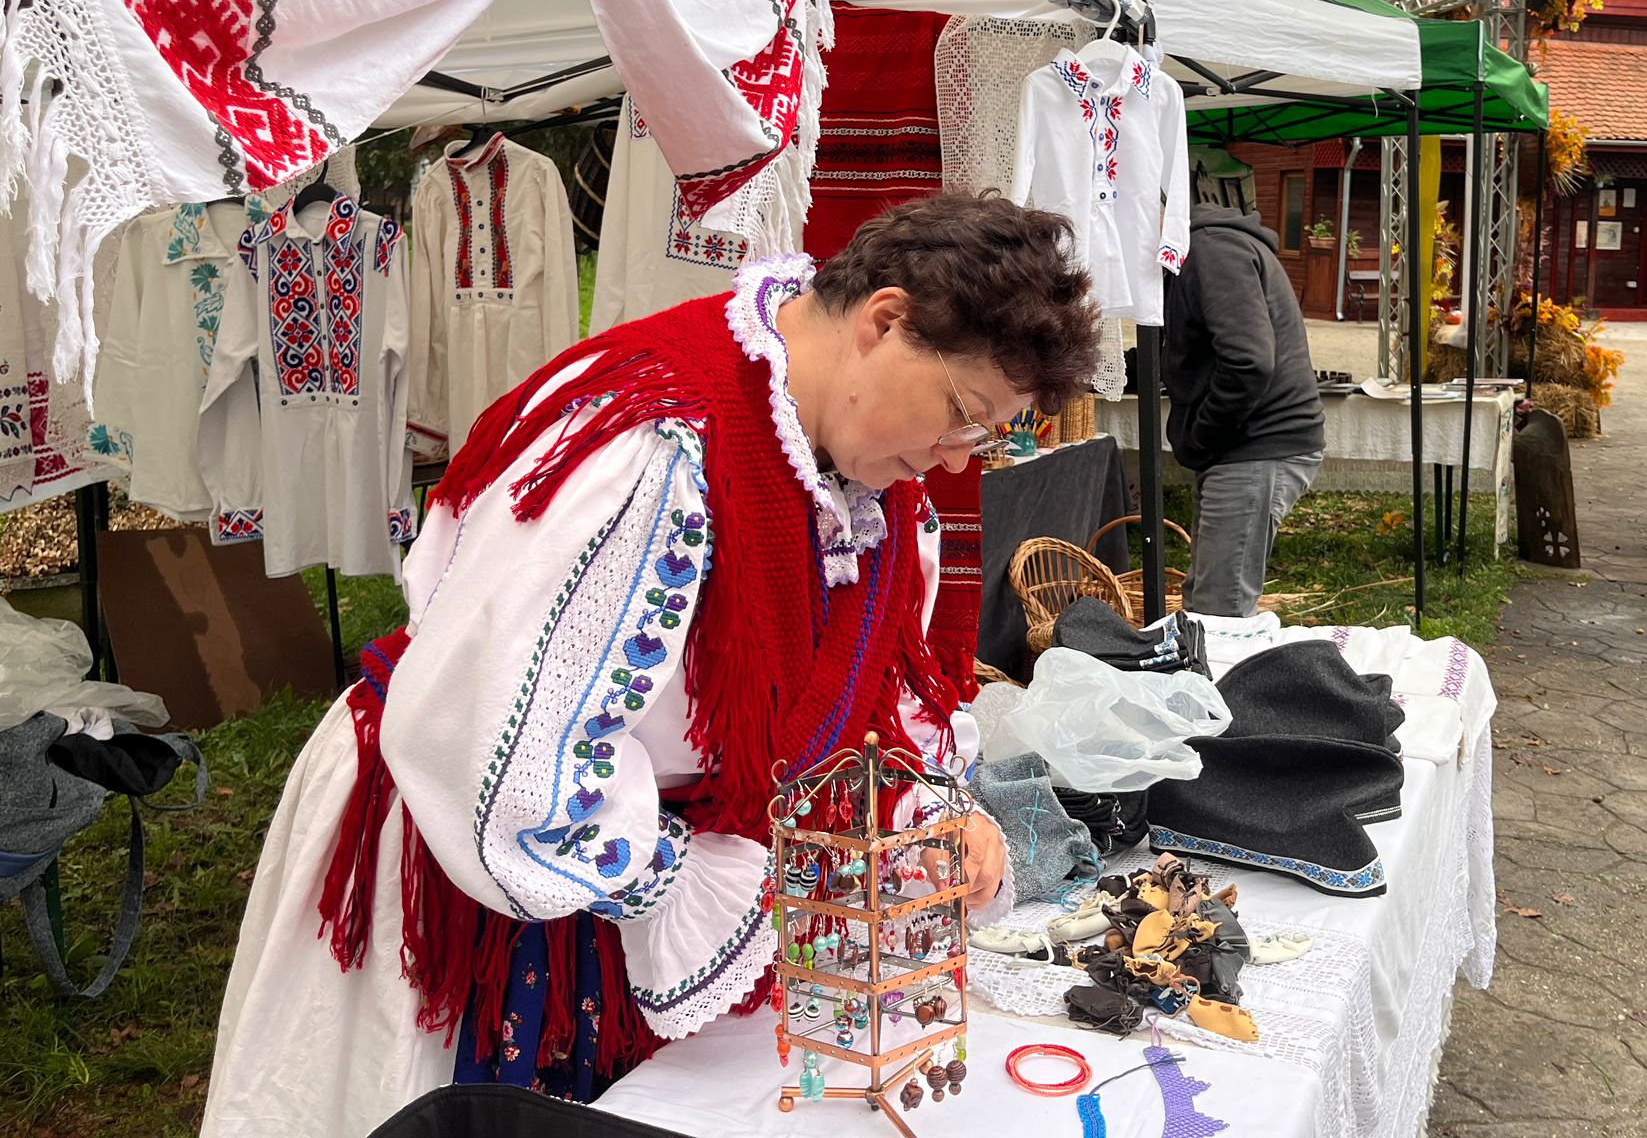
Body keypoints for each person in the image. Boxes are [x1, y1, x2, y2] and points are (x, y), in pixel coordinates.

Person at [201, 194, 1099, 1138]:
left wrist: (929, 812)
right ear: (884, 321)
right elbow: (507, 755)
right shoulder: (648, 442)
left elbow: (866, 686)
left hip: (641, 856)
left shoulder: (870, 478)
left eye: (984, 436)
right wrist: (697, 885)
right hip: (481, 839)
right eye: (960, 414)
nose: (957, 462)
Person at [1163, 202, 1325, 615]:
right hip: (1242, 446)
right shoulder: (1197, 251)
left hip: (1256, 445)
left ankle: (1230, 681)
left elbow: (1248, 361)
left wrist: (1201, 436)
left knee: (1221, 613)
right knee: (1203, 604)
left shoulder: (1213, 250)